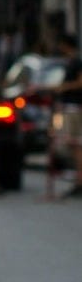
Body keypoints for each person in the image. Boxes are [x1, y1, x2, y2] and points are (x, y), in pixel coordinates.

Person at [54, 32, 82, 197]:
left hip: (74, 107)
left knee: (76, 143)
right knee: (72, 143)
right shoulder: (71, 61)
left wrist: (63, 87)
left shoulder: (77, 61)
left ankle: (79, 180)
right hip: (70, 106)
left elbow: (80, 82)